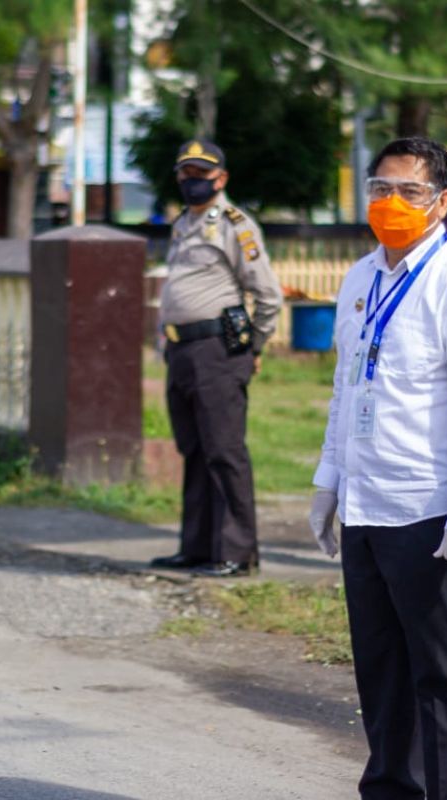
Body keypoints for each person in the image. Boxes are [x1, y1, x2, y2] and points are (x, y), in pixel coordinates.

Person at [308, 137, 447, 800]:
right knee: (382, 673)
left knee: (445, 676)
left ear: (442, 202)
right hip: (366, 504)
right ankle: (391, 790)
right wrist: (328, 480)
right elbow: (347, 387)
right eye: (380, 189)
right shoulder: (361, 278)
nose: (391, 203)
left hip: (428, 509)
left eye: (410, 192)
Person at [150, 139, 283, 578]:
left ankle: (236, 553)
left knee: (224, 451)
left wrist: (254, 347)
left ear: (221, 179)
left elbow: (267, 296)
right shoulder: (183, 224)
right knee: (194, 449)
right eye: (186, 173)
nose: (193, 181)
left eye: (201, 174)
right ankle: (197, 546)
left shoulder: (234, 224)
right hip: (182, 350)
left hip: (217, 351)